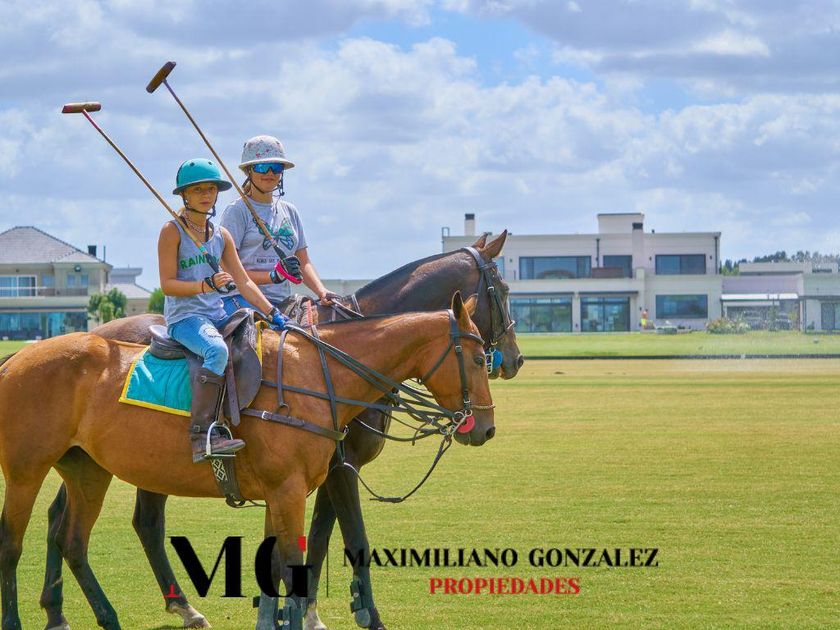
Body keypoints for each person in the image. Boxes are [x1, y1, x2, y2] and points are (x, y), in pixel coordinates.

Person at [160, 158, 288, 463]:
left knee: (258, 341)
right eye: (197, 189)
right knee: (216, 351)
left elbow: (244, 282)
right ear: (184, 195)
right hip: (184, 318)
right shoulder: (171, 231)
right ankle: (202, 436)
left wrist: (272, 312)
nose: (206, 195)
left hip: (217, 314)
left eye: (211, 189)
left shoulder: (221, 235)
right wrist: (205, 285)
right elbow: (167, 285)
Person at [220, 135, 339, 315]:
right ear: (248, 171)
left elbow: (303, 262)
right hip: (241, 300)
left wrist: (321, 291)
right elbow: (229, 269)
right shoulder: (237, 211)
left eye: (276, 167)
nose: (270, 173)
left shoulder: (290, 211)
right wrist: (273, 276)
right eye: (262, 167)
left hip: (282, 302)